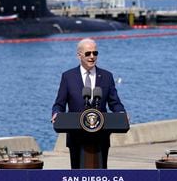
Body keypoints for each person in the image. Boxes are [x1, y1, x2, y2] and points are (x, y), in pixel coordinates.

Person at [52, 38, 127, 169]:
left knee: (101, 173)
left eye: (95, 53)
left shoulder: (107, 76)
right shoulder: (68, 77)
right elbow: (59, 104)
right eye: (88, 53)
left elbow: (115, 102)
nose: (92, 57)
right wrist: (56, 113)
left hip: (101, 136)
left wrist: (121, 114)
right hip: (76, 137)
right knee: (77, 175)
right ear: (79, 55)